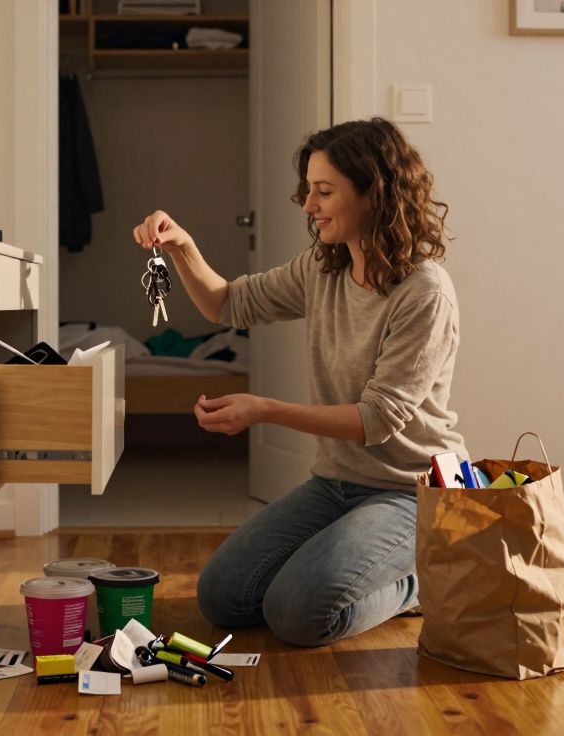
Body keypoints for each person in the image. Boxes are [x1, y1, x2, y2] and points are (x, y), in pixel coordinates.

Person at [131, 117, 467, 647]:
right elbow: (228, 302)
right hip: (338, 481)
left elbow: (377, 419)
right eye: (308, 190)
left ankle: (423, 578)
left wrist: (264, 410)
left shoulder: (425, 291)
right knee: (222, 596)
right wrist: (182, 247)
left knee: (298, 614)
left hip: (415, 490)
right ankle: (363, 565)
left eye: (324, 192)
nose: (308, 206)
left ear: (374, 192)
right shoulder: (323, 268)